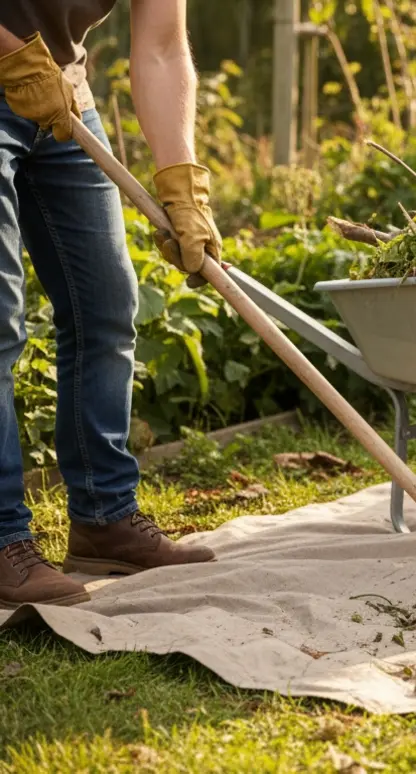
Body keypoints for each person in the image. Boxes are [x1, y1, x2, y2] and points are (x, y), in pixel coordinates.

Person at [0, 1, 221, 610]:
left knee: (106, 307)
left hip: (61, 89)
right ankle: (1, 538)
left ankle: (105, 519)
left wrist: (182, 182)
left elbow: (161, 47)